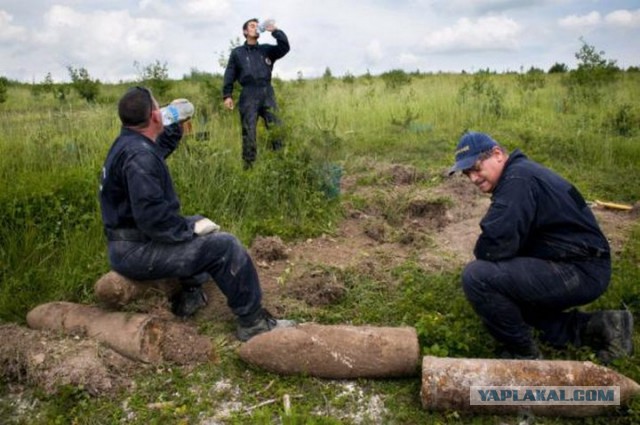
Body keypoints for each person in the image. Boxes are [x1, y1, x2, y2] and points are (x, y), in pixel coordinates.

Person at [99, 86, 294, 341]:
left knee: (195, 222)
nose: (163, 110)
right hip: (136, 250)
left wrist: (176, 123)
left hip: (129, 242)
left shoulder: (130, 144)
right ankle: (253, 323)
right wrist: (189, 230)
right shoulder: (139, 157)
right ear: (155, 117)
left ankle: (189, 295)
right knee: (225, 246)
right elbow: (154, 220)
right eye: (159, 108)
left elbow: (157, 151)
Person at [449, 131, 633, 363]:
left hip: (579, 268)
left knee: (478, 277)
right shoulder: (520, 174)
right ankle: (605, 325)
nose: (473, 178)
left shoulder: (517, 180)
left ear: (497, 154)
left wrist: (498, 254)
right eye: (467, 174)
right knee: (507, 301)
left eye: (476, 168)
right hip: (579, 263)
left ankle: (524, 353)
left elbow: (493, 246)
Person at [222, 18, 290, 168]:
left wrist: (275, 31)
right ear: (245, 32)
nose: (255, 28)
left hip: (267, 92)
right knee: (249, 131)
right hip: (248, 94)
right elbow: (230, 73)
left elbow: (285, 47)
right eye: (251, 26)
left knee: (276, 128)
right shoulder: (237, 53)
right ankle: (249, 167)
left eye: (256, 26)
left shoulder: (266, 50)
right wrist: (227, 95)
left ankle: (281, 164)